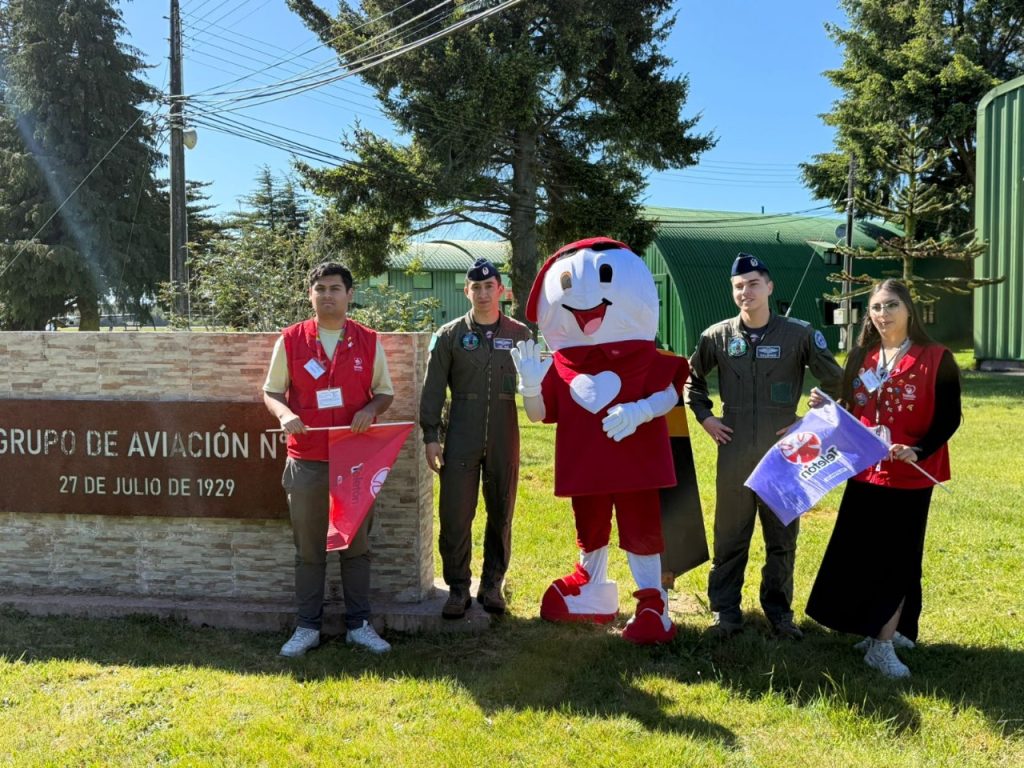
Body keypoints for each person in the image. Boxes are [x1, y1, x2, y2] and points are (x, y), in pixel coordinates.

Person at [805, 279, 961, 679]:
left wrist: (918, 450)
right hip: (865, 471)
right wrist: (827, 405)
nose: (883, 314)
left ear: (908, 309)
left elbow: (949, 417)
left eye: (891, 305)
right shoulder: (863, 356)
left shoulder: (936, 357)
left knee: (897, 559)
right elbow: (850, 407)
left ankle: (884, 644)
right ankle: (876, 627)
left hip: (909, 475)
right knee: (863, 555)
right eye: (875, 307)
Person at [685, 253, 843, 639]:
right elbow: (691, 379)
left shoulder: (799, 335)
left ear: (769, 287)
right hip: (735, 453)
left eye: (753, 284)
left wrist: (809, 422)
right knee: (730, 537)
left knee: (781, 540)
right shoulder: (717, 336)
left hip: (784, 455)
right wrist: (706, 417)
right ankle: (725, 612)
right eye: (739, 286)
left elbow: (838, 382)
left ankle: (779, 613)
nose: (746, 292)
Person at [263, 262, 394, 657]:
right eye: (319, 288)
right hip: (307, 460)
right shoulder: (291, 340)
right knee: (309, 549)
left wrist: (370, 410)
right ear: (310, 295)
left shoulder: (368, 341)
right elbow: (271, 392)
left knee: (356, 547)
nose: (327, 295)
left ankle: (359, 626)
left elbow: (384, 392)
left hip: (355, 463)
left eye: (335, 288)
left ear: (349, 294)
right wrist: (284, 414)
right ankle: (307, 628)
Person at [420, 258, 532, 619]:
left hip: (504, 431)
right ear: (466, 291)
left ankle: (492, 585)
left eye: (489, 286)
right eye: (476, 287)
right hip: (461, 431)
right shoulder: (449, 335)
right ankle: (458, 588)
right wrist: (431, 435)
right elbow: (433, 389)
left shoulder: (520, 334)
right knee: (455, 515)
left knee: (501, 511)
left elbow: (535, 384)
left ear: (501, 290)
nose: (483, 293)